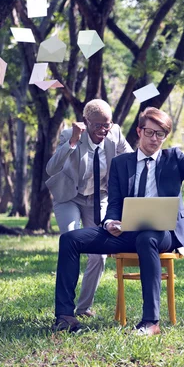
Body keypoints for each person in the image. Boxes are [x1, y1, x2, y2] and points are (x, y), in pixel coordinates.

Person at [52, 106, 184, 336]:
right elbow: (115, 201)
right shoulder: (121, 163)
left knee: (147, 237)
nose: (154, 139)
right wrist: (110, 222)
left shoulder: (174, 159)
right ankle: (65, 317)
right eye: (149, 132)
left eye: (160, 134)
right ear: (139, 131)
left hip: (162, 234)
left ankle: (150, 323)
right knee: (70, 239)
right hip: (126, 233)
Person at [46, 99, 133, 317]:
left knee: (99, 255)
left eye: (107, 124)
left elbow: (133, 161)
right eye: (98, 125)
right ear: (86, 122)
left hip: (98, 198)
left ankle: (83, 308)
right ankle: (65, 309)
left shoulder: (115, 134)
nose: (103, 130)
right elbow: (51, 168)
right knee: (72, 241)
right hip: (70, 197)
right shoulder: (69, 135)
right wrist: (73, 142)